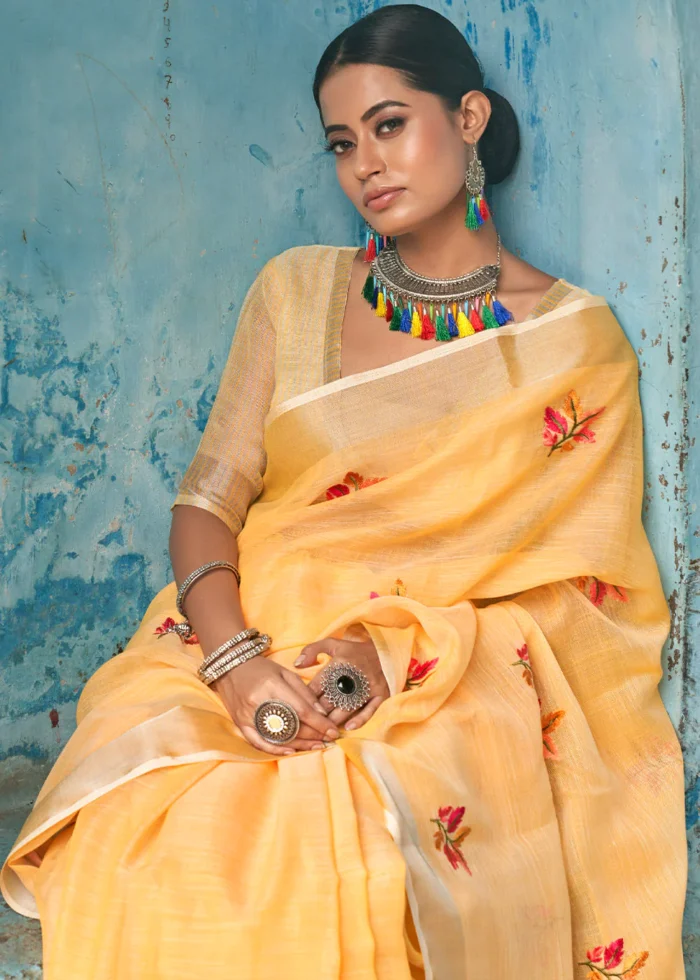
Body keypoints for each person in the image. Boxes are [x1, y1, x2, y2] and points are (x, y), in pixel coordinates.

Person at [1, 5, 687, 978]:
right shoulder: (295, 291)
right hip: (238, 631)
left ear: (469, 120)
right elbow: (208, 498)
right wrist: (236, 659)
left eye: (389, 123)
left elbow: (584, 597)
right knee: (149, 823)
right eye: (340, 141)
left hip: (434, 673)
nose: (364, 162)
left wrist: (385, 648)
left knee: (350, 835)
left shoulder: (575, 343)